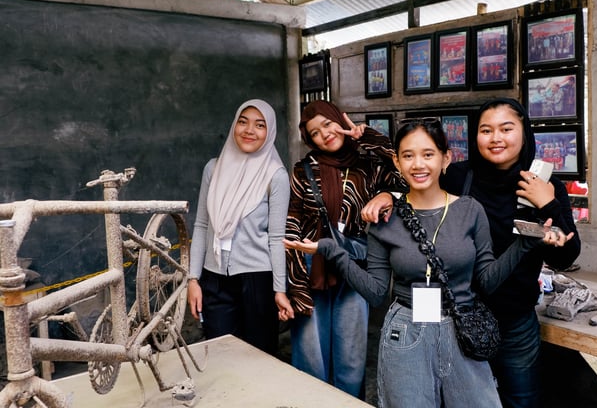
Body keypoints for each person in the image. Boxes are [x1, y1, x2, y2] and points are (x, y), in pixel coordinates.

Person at [285, 119, 573, 407]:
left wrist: (525, 244)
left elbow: (487, 280)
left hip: (461, 328)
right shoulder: (386, 219)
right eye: (408, 155)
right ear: (397, 162)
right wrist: (331, 250)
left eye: (428, 154)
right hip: (405, 331)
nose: (418, 164)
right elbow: (375, 292)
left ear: (445, 158)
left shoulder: (470, 210)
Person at [441, 97, 581, 408]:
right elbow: (413, 192)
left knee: (521, 401)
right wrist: (387, 196)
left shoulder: (545, 184)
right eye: (486, 130)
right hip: (457, 317)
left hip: (515, 321)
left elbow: (566, 256)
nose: (496, 138)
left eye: (506, 129)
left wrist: (548, 204)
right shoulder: (456, 177)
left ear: (524, 132)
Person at [285, 100, 405, 398]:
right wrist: (295, 283)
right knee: (310, 356)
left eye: (328, 124)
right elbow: (292, 222)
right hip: (310, 265)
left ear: (341, 120)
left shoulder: (368, 165)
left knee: (351, 355)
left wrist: (366, 136)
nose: (324, 134)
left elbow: (404, 172)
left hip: (353, 264)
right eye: (315, 133)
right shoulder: (303, 170)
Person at [187, 99, 293, 356]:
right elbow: (201, 225)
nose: (249, 130)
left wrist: (280, 290)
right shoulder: (213, 169)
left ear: (269, 132)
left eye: (260, 125)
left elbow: (277, 238)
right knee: (219, 353)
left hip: (258, 279)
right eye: (243, 122)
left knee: (260, 356)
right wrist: (193, 279)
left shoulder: (275, 176)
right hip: (214, 278)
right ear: (234, 125)